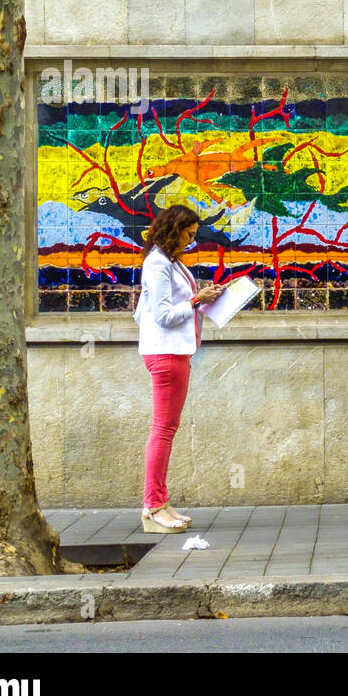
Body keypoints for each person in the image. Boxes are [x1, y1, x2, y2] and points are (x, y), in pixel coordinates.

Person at [133, 205, 229, 533]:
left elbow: (151, 310)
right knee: (163, 430)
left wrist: (203, 299)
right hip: (166, 353)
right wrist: (194, 300)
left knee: (165, 430)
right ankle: (153, 506)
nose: (190, 241)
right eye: (188, 235)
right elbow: (163, 316)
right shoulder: (158, 263)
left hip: (173, 352)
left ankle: (160, 503)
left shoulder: (169, 261)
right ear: (174, 230)